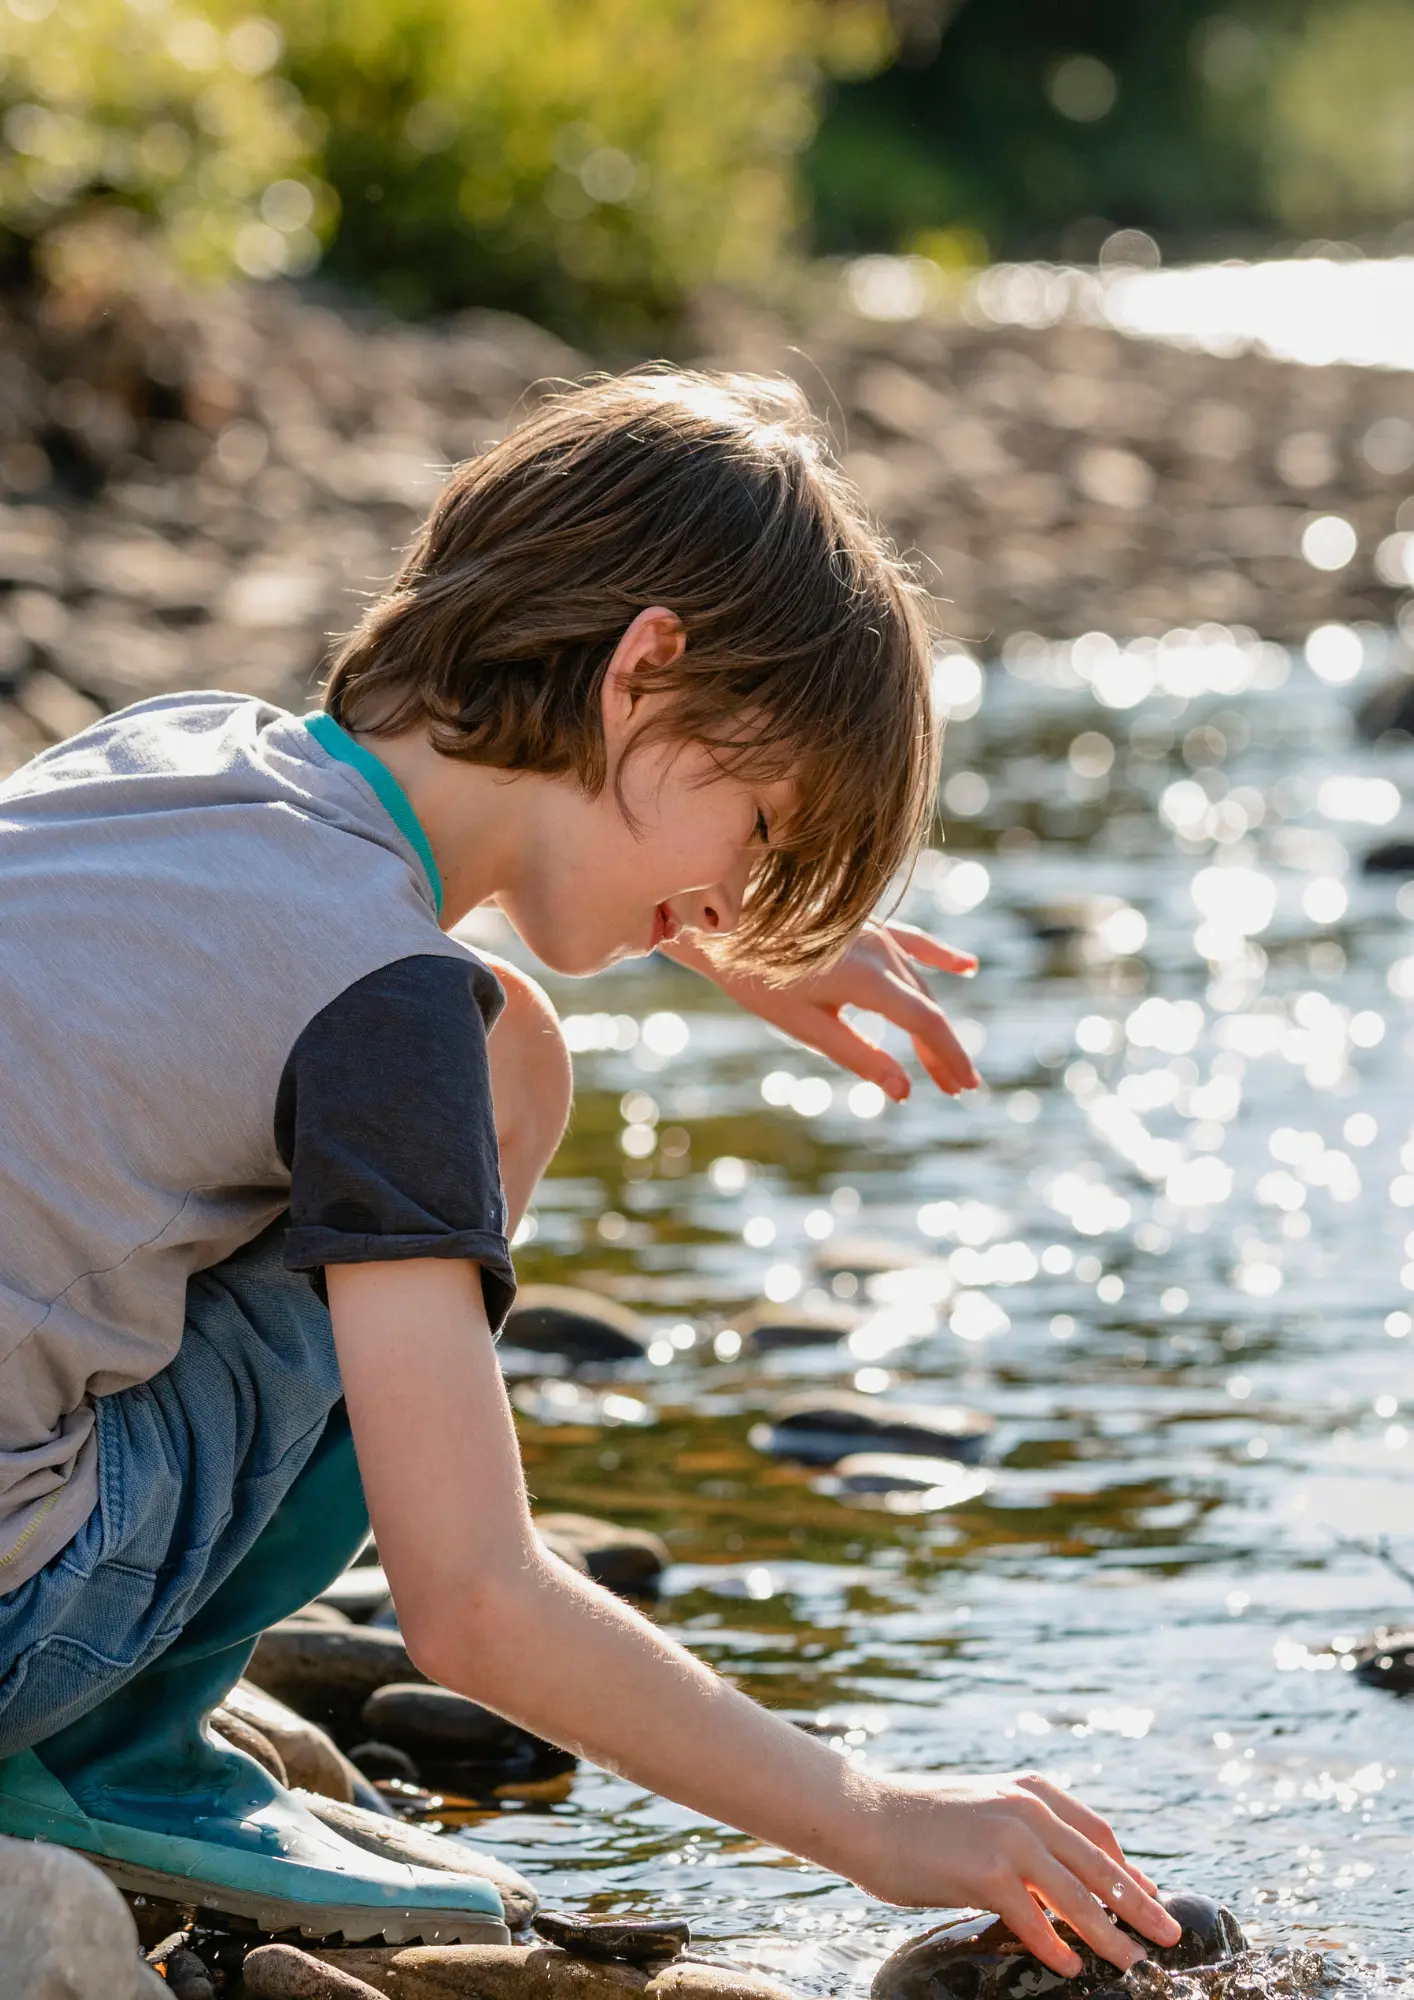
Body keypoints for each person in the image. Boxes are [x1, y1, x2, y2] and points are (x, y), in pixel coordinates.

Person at [0, 370, 1181, 1970]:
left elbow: (277, 927)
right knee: (497, 1068)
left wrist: (698, 920)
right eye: (758, 833)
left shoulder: (177, 753)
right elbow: (473, 1602)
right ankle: (104, 1751)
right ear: (644, 676)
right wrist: (876, 1818)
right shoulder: (389, 1015)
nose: (737, 890)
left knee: (505, 1038)